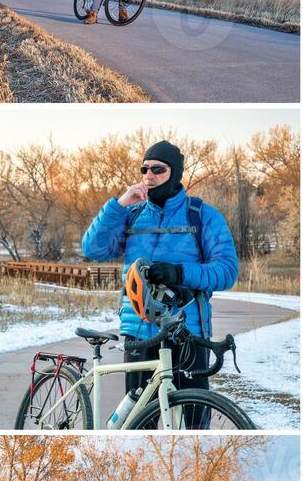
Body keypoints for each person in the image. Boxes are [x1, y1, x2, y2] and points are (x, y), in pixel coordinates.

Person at [81, 140, 239, 418]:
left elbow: (227, 271)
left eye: (158, 169)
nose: (148, 175)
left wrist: (180, 273)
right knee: (139, 422)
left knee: (192, 422)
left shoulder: (201, 216)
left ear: (175, 173)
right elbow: (92, 248)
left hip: (188, 334)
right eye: (144, 169)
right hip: (139, 334)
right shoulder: (131, 216)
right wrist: (118, 205)